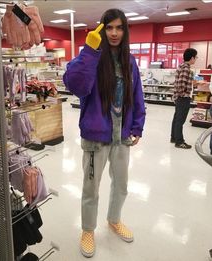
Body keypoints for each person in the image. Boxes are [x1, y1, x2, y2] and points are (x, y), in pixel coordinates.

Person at [63, 9, 146, 258]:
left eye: (119, 27)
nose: (114, 33)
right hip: (95, 138)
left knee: (121, 185)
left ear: (125, 30)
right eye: (109, 27)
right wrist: (89, 51)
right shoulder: (91, 57)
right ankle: (88, 229)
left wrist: (137, 125)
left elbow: (137, 95)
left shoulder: (129, 61)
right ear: (101, 29)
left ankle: (114, 219)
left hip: (122, 136)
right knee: (91, 188)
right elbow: (76, 86)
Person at [170, 48, 198, 149]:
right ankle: (179, 141)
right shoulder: (186, 68)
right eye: (196, 57)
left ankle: (174, 137)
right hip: (183, 98)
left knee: (177, 118)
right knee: (180, 120)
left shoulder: (181, 66)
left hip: (179, 97)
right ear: (192, 58)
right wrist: (183, 94)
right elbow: (181, 84)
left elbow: (182, 81)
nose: (196, 59)